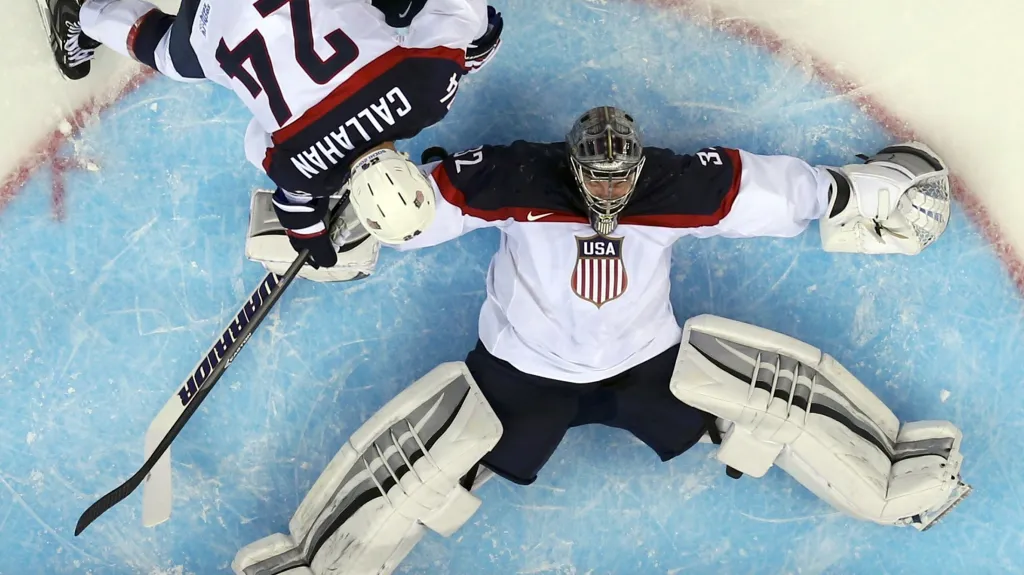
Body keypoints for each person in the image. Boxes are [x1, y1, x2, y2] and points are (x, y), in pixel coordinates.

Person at [234, 106, 968, 574]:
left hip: (645, 369)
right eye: (596, 180)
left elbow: (765, 194)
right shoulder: (517, 175)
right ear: (573, 163)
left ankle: (890, 479)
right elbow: (425, 208)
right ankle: (317, 564)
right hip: (522, 377)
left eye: (622, 181)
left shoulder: (672, 186)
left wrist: (850, 192)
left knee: (768, 402)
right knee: (422, 469)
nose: (610, 195)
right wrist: (353, 219)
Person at [47, 0, 502, 280]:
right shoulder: (302, 169)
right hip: (211, 17)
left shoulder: (428, 92)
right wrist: (311, 237)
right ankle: (86, 10)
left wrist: (476, 44)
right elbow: (260, 147)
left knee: (407, 12)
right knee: (172, 55)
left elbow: (458, 10)